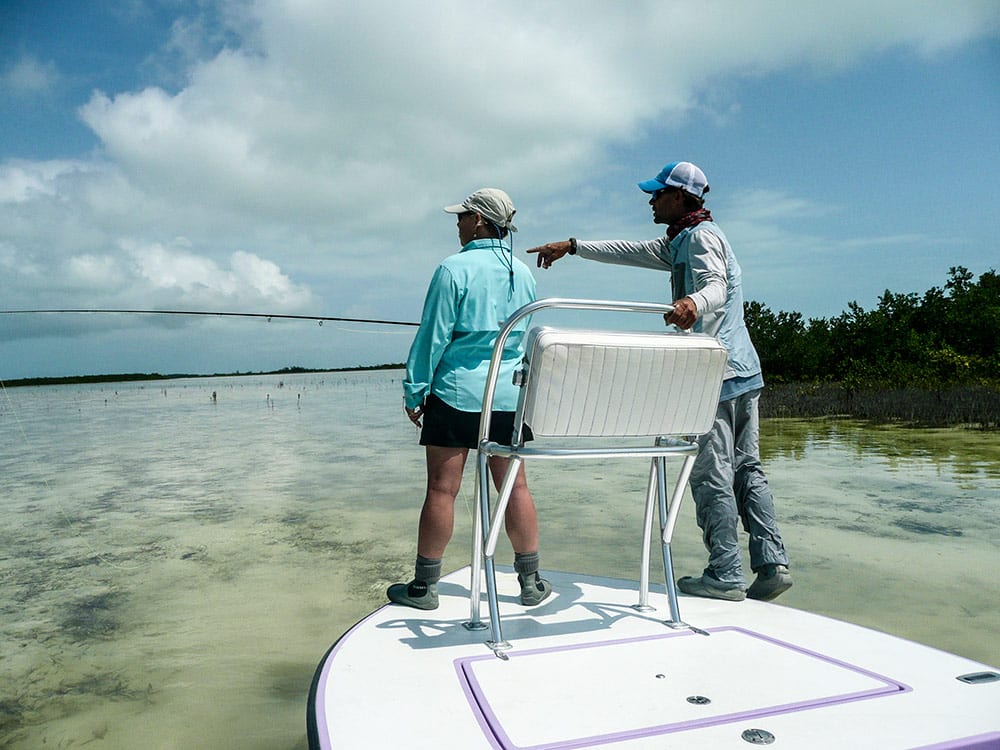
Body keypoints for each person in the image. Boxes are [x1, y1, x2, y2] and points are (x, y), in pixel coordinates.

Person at [526, 161, 792, 602]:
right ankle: (771, 563)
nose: (651, 200)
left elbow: (716, 287)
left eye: (658, 193)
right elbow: (629, 250)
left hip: (714, 376)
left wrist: (691, 301)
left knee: (711, 476)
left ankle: (725, 573)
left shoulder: (700, 238)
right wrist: (572, 246)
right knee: (747, 469)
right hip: (744, 370)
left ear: (682, 198)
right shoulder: (686, 237)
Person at [388, 188, 552, 611]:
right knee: (515, 486)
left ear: (478, 219)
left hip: (457, 394)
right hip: (507, 396)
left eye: (461, 216)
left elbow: (433, 336)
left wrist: (414, 389)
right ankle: (531, 581)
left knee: (442, 490)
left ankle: (425, 589)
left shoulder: (451, 269)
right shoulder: (523, 272)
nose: (457, 223)